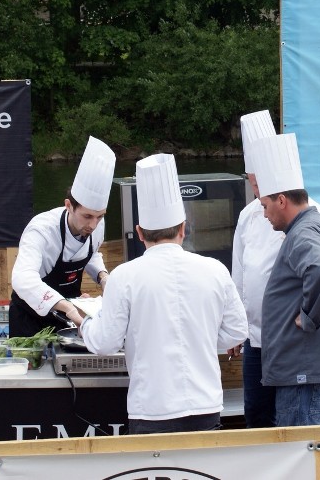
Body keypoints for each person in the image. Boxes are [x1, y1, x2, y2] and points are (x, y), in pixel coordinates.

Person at [80, 153, 248, 434]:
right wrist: (203, 335)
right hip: (205, 406)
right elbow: (236, 332)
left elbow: (104, 342)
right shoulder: (216, 269)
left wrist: (82, 319)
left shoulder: (124, 276)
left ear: (139, 232)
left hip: (151, 410)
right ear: (184, 229)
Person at [229, 109, 320, 428]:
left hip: (296, 345)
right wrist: (237, 325)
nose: (256, 196)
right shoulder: (249, 217)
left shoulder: (315, 221)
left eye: (259, 186)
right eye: (251, 183)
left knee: (296, 425)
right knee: (259, 421)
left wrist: (307, 319)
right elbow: (241, 276)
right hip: (257, 341)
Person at [249, 132, 320, 426]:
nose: (265, 214)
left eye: (266, 205)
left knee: (305, 457)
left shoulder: (304, 233)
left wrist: (309, 317)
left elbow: (319, 269)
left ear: (282, 200)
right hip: (304, 370)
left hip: (306, 373)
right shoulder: (310, 226)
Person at [9, 136, 116, 337]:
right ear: (68, 206)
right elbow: (22, 278)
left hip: (70, 319)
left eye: (100, 217)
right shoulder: (41, 230)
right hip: (29, 320)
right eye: (87, 216)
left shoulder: (97, 226)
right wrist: (68, 308)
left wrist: (103, 277)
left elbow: (90, 252)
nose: (93, 225)